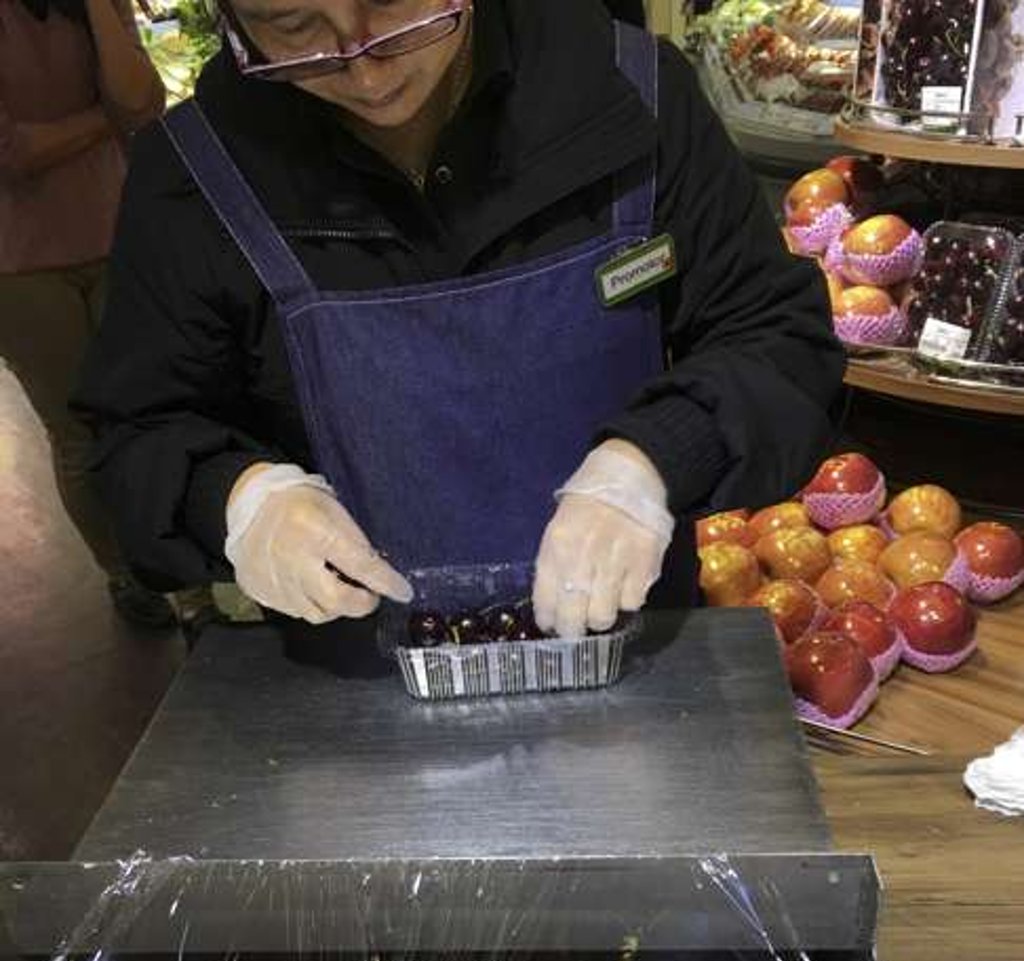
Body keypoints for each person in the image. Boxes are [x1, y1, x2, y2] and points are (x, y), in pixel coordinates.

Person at [76, 0, 844, 648]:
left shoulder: (631, 96)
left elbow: (777, 337)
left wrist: (655, 460)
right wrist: (241, 500)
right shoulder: (194, 179)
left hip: (631, 653)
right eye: (293, 25)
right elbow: (138, 430)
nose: (363, 65)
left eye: (392, 5)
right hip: (350, 692)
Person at [0, 0, 173, 629]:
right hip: (19, 266)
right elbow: (13, 154)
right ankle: (124, 572)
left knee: (151, 406)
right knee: (78, 429)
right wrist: (109, 117)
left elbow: (144, 101)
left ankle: (180, 564)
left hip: (119, 233)